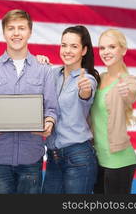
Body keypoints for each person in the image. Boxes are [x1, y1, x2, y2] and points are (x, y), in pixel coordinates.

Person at [0, 9, 58, 194]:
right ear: (4, 32)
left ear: (30, 32)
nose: (16, 33)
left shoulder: (44, 70)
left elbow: (51, 109)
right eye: (11, 28)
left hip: (32, 156)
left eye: (21, 28)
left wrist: (49, 121)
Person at [42, 25, 99, 194]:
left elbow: (86, 94)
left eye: (74, 46)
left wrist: (85, 90)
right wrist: (38, 61)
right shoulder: (52, 74)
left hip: (79, 157)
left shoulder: (88, 80)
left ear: (84, 50)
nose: (67, 50)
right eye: (64, 45)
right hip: (53, 157)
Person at [91, 28, 136, 194]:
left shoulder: (129, 80)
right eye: (102, 48)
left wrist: (127, 93)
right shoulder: (99, 78)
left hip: (120, 162)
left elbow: (131, 95)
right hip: (97, 159)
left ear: (123, 50)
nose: (106, 52)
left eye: (112, 47)